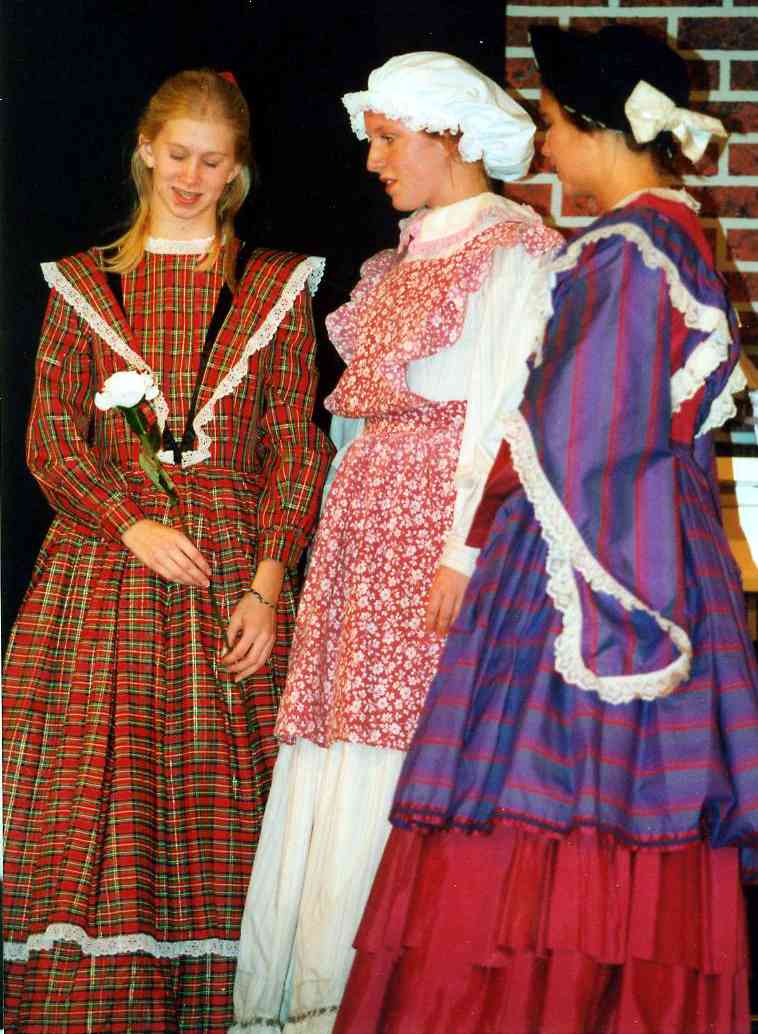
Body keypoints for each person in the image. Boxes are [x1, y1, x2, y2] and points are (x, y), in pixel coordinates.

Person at [333, 24, 758, 1034]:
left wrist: (483, 528)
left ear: (605, 128)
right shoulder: (677, 242)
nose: (550, 149)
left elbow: (570, 434)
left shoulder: (626, 251)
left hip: (594, 556)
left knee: (544, 791)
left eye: (559, 126)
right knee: (624, 802)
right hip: (656, 544)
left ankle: (541, 1006)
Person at [230, 51, 563, 1034]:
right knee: (339, 733)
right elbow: (351, 422)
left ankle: (390, 996)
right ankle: (314, 991)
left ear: (450, 135)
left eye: (388, 138)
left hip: (432, 536)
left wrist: (463, 552)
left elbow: (506, 411)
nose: (372, 160)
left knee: (404, 735)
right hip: (362, 535)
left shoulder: (513, 249)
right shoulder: (393, 263)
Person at [2, 68, 332, 1034]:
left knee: (225, 802)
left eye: (212, 162)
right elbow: (51, 438)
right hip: (106, 569)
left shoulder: (273, 287)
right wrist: (129, 521)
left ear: (237, 171)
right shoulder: (83, 283)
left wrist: (268, 583)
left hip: (233, 572)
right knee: (98, 794)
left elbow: (296, 444)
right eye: (178, 156)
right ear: (146, 151)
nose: (191, 178)